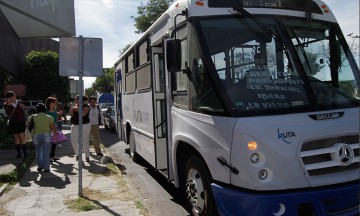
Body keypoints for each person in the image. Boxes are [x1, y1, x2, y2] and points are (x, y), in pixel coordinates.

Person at [27, 103, 57, 172]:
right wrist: (55, 136)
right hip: (46, 135)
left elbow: (27, 126)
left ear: (36, 109)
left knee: (38, 152)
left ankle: (39, 167)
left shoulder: (32, 116)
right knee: (46, 152)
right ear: (44, 109)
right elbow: (53, 128)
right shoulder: (49, 117)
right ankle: (46, 168)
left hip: (36, 136)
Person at [4, 91, 27, 159]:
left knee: (22, 137)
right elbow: (8, 113)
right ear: (9, 98)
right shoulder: (7, 105)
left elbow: (24, 109)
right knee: (16, 138)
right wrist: (9, 104)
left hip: (21, 122)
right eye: (13, 96)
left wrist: (21, 106)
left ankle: (25, 154)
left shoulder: (19, 102)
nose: (14, 97)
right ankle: (19, 154)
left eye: (14, 96)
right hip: (13, 123)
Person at [70, 95, 91, 162]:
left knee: (85, 141)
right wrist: (72, 109)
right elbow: (71, 115)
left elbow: (84, 114)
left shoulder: (86, 106)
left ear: (80, 100)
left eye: (76, 99)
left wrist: (78, 109)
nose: (75, 100)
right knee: (73, 140)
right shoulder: (75, 106)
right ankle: (78, 153)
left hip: (85, 125)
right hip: (75, 125)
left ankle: (87, 156)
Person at [45, 97, 60, 162]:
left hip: (55, 127)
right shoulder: (46, 110)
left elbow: (55, 118)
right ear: (50, 103)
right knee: (49, 143)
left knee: (54, 142)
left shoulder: (54, 109)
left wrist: (59, 115)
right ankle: (49, 157)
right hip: (49, 128)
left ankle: (53, 156)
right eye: (54, 102)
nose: (55, 103)